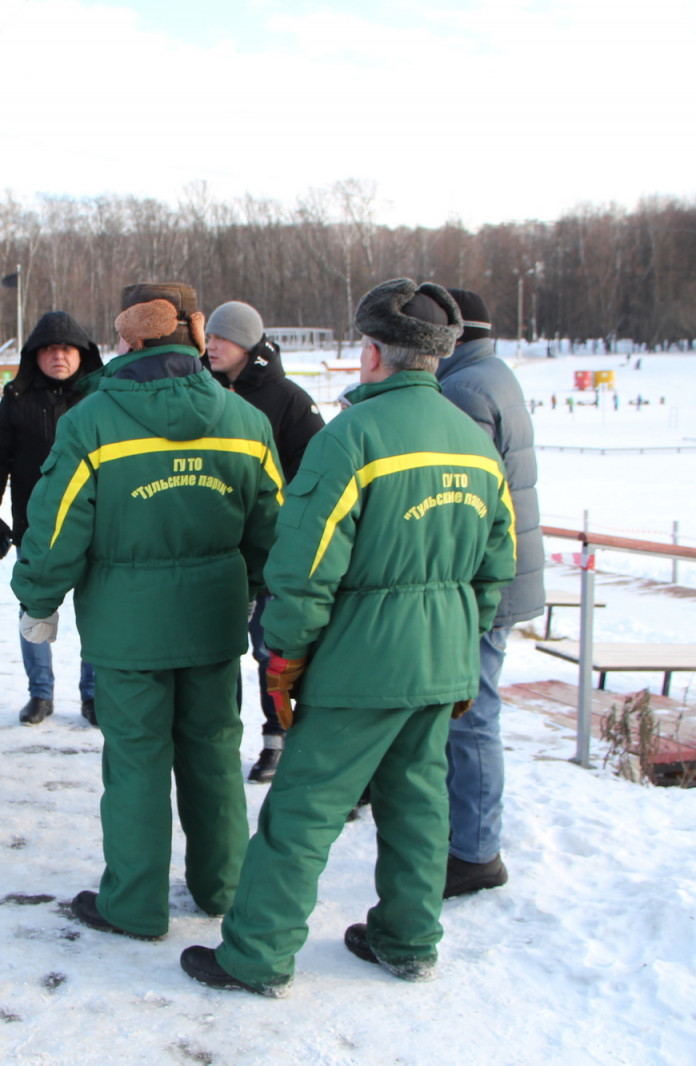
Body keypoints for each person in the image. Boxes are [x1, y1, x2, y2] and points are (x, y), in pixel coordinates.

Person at [181, 278, 514, 995]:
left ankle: (256, 954)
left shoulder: (351, 439)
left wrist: (286, 654)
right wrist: (459, 638)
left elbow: (303, 570)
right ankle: (408, 936)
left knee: (302, 808)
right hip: (442, 662)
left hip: (360, 664)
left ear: (371, 353)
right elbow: (497, 563)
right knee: (419, 804)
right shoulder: (474, 442)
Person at [12, 282, 282, 940]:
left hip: (126, 630)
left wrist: (38, 601)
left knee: (134, 762)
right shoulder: (244, 420)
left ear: (127, 339)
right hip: (214, 623)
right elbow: (275, 528)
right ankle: (223, 885)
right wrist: (243, 584)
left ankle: (133, 904)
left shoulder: (91, 423)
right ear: (190, 333)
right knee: (215, 754)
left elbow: (54, 530)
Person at [436, 288, 543, 898]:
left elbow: (466, 498)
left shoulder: (465, 389)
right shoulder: (491, 373)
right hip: (506, 573)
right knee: (474, 710)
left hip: (485, 580)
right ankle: (469, 837)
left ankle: (475, 851)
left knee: (470, 716)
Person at [203, 300, 326, 782]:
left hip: (270, 553)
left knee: (269, 651)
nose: (211, 345)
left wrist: (274, 511)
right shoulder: (201, 390)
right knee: (214, 650)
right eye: (209, 336)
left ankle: (276, 740)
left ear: (249, 346)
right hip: (215, 548)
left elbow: (314, 470)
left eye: (223, 339)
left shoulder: (288, 400)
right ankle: (215, 737)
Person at [0, 311, 104, 726]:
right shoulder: (17, 398)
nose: (59, 356)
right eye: (49, 349)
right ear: (36, 355)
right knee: (34, 610)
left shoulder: (101, 399)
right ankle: (40, 693)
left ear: (82, 354)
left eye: (67, 348)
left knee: (97, 612)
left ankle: (93, 693)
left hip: (94, 527)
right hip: (35, 530)